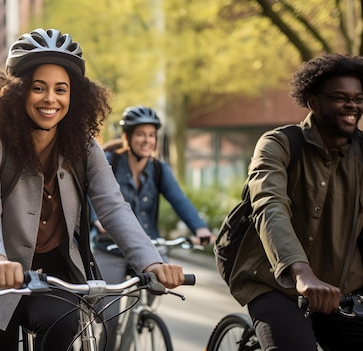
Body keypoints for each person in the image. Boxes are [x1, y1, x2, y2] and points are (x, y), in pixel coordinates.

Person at [0, 28, 187, 351]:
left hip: (53, 275)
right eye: (38, 88)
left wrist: (152, 263)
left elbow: (113, 207)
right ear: (17, 92)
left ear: (74, 96)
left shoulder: (84, 148)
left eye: (61, 89)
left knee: (63, 324)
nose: (51, 98)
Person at [228, 53, 363, 351]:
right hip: (275, 285)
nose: (352, 105)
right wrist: (300, 272)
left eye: (358, 98)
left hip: (340, 292)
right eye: (341, 97)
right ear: (314, 102)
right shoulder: (279, 144)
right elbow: (269, 204)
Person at [90, 105, 213, 350]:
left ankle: (141, 322)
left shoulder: (158, 169)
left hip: (147, 249)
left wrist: (200, 228)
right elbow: (93, 193)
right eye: (140, 134)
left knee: (155, 291)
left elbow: (179, 200)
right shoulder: (109, 161)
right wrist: (97, 219)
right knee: (109, 316)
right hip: (108, 248)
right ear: (127, 137)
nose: (147, 140)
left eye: (151, 135)